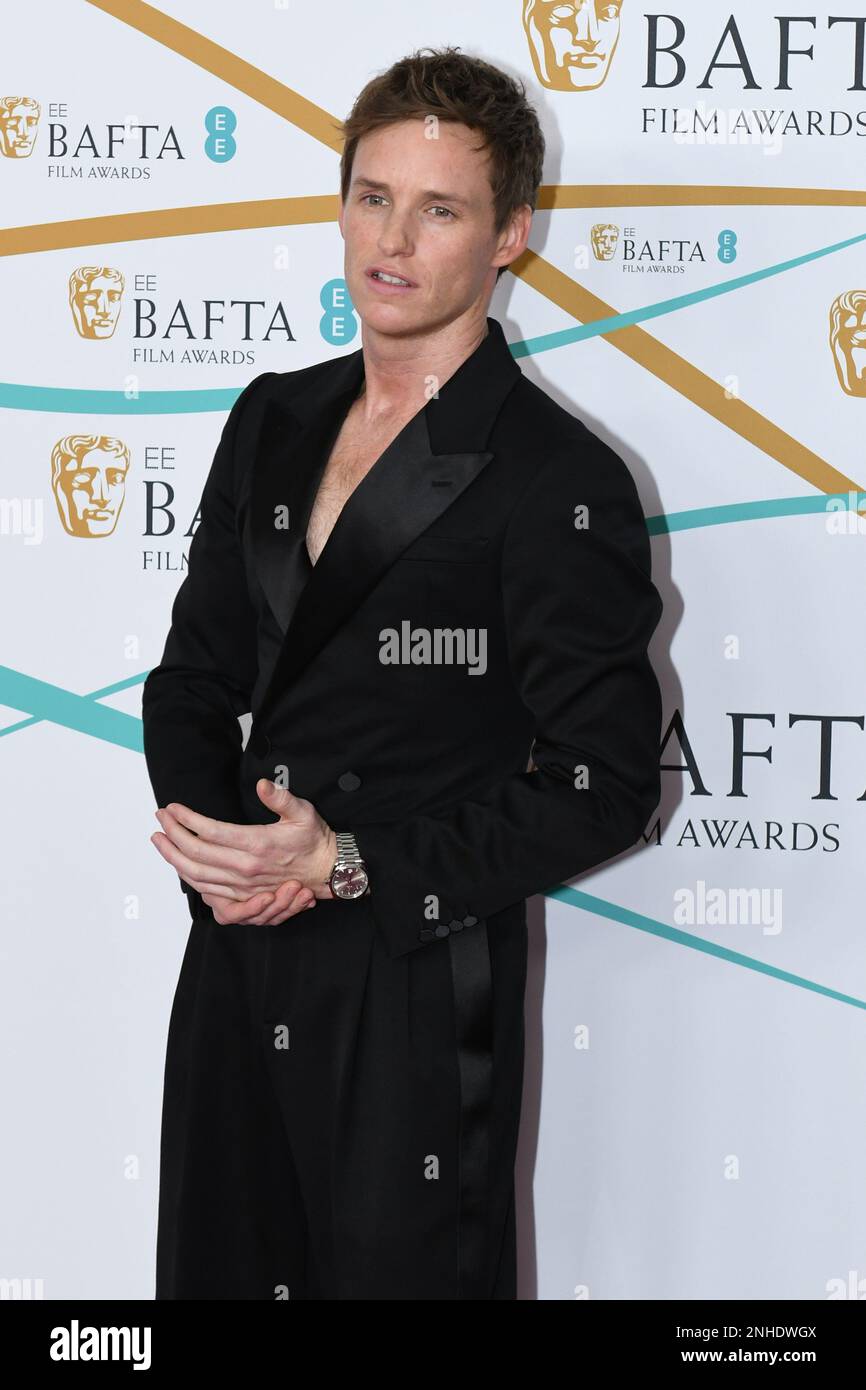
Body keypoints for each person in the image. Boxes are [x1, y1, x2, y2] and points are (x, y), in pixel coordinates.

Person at [142, 45, 663, 1300]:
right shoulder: (270, 416)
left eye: (439, 209)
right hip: (236, 961)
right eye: (372, 196)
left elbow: (601, 784)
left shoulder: (556, 480)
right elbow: (192, 676)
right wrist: (233, 865)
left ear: (510, 238)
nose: (392, 238)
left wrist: (345, 865)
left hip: (416, 991)